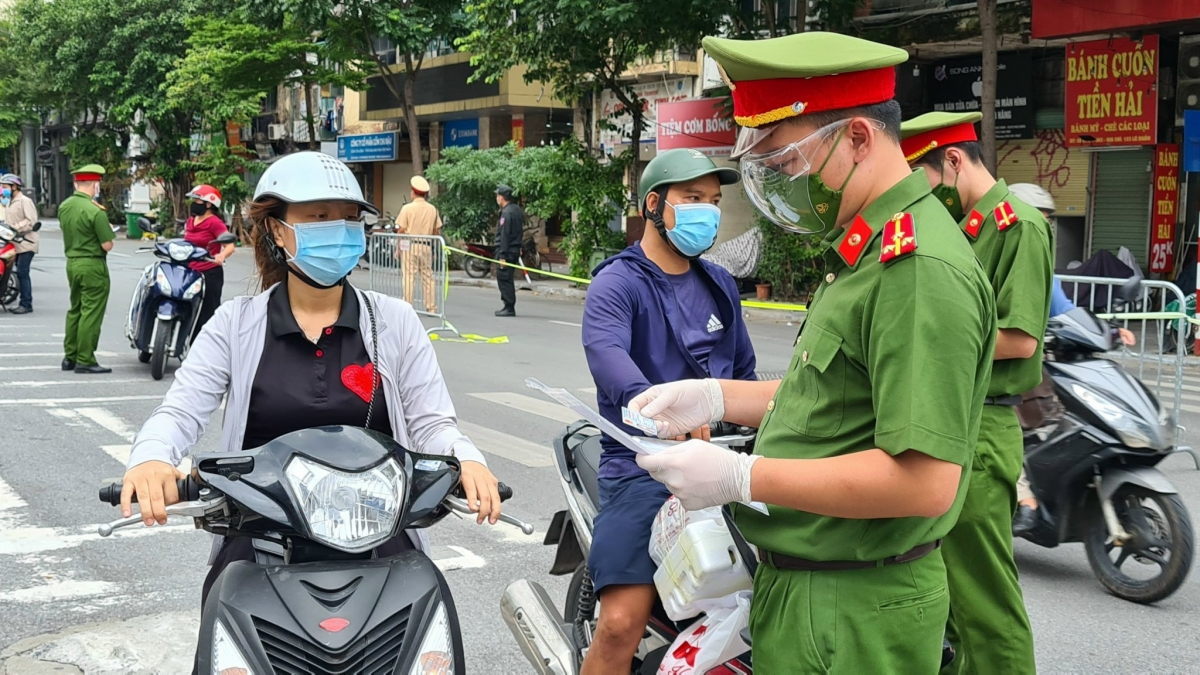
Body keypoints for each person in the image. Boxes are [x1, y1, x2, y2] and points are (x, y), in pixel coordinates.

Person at [628, 32, 997, 673]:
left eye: (786, 162)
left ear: (858, 138)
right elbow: (831, 397)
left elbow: (926, 481)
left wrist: (743, 477)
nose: (781, 185)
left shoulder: (915, 268)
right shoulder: (863, 249)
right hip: (813, 590)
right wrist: (716, 396)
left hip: (852, 609)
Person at [115, 152, 503, 672]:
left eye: (347, 217)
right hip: (260, 536)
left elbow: (433, 420)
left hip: (380, 533)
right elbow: (180, 410)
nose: (337, 230)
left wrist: (466, 460)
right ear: (277, 229)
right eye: (318, 217)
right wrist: (152, 458)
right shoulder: (235, 325)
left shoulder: (395, 320)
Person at [580, 148, 756, 674]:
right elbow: (607, 356)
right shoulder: (618, 282)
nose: (708, 211)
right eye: (693, 199)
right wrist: (658, 411)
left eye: (714, 201)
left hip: (727, 462)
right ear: (655, 204)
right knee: (619, 623)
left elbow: (743, 378)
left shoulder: (719, 284)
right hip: (644, 469)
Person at [900, 111, 1051, 674]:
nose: (926, 194)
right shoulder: (971, 229)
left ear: (955, 160)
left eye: (929, 177)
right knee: (955, 601)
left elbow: (1018, 338)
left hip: (985, 427)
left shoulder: (1019, 226)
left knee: (985, 602)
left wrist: (931, 347)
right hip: (956, 419)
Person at [1006, 182, 1134, 538]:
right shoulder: (993, 259)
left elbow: (1065, 310)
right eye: (1037, 219)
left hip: (1032, 364)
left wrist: (1108, 330)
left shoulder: (1042, 268)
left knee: (1054, 418)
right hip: (996, 370)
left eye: (1048, 222)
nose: (1044, 229)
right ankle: (1023, 498)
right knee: (1002, 424)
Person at [60, 164, 115, 374]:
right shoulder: (95, 211)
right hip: (92, 264)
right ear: (95, 185)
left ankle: (70, 356)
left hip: (72, 262)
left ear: (76, 183)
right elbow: (106, 245)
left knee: (75, 309)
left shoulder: (65, 206)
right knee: (91, 312)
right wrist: (108, 232)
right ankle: (85, 359)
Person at [183, 184, 235, 344]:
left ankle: (204, 346)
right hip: (189, 270)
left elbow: (230, 245)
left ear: (208, 204)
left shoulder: (214, 222)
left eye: (197, 200)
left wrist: (221, 255)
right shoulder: (192, 220)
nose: (194, 203)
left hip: (209, 272)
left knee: (207, 311)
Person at [395, 175, 442, 313]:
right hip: (427, 245)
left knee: (409, 276)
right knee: (428, 277)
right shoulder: (432, 209)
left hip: (410, 245)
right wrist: (433, 249)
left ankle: (407, 306)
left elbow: (401, 229)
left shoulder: (407, 208)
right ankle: (431, 307)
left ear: (413, 192)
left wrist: (398, 247)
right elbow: (436, 230)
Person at [3, 174, 38, 314]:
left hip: (26, 243)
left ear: (14, 187)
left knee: (23, 272)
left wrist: (15, 228)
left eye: (5, 187)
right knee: (14, 272)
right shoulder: (9, 201)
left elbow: (32, 221)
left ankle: (26, 303)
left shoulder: (25, 201)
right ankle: (17, 299)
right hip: (14, 243)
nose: (2, 189)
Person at [494, 184, 523, 317]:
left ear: (501, 197)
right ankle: (508, 305)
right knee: (508, 277)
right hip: (514, 249)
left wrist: (502, 255)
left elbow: (505, 235)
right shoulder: (516, 210)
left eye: (497, 196)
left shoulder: (507, 213)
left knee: (504, 278)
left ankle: (509, 306)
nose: (497, 198)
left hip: (507, 250)